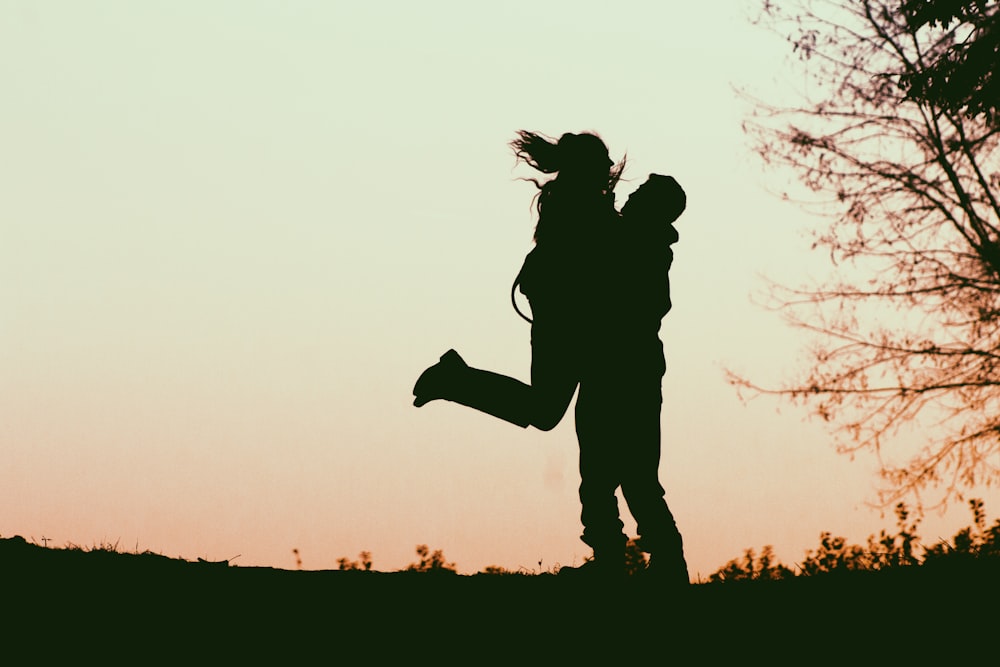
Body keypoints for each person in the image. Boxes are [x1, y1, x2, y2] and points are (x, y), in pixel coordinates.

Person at [413, 131, 688, 582]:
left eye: (641, 195)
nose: (628, 194)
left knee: (616, 469)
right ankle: (627, 561)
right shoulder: (607, 222)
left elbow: (639, 302)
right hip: (589, 349)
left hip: (618, 362)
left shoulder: (634, 237)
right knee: (603, 466)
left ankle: (640, 561)